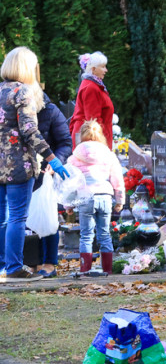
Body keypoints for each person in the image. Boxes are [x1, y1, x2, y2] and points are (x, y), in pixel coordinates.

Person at [0, 47, 72, 279]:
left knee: (1, 217)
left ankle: (2, 265)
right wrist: (53, 159)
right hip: (19, 166)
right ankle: (13, 267)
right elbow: (30, 130)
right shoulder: (23, 92)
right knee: (17, 217)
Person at [67, 120, 125, 275]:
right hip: (105, 196)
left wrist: (69, 205)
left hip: (86, 197)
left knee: (86, 235)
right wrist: (120, 200)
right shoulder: (108, 154)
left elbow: (71, 182)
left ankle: (85, 270)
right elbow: (117, 178)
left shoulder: (75, 157)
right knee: (104, 234)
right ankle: (108, 270)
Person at [31, 91, 73, 277]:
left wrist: (54, 163)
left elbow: (64, 142)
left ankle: (49, 263)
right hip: (19, 172)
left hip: (45, 172)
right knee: (23, 221)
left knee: (48, 218)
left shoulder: (51, 111)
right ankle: (30, 262)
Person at [69, 52, 114, 149]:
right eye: (103, 67)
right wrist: (102, 144)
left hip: (91, 138)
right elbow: (93, 121)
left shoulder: (94, 85)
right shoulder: (91, 87)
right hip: (91, 140)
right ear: (93, 69)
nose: (106, 70)